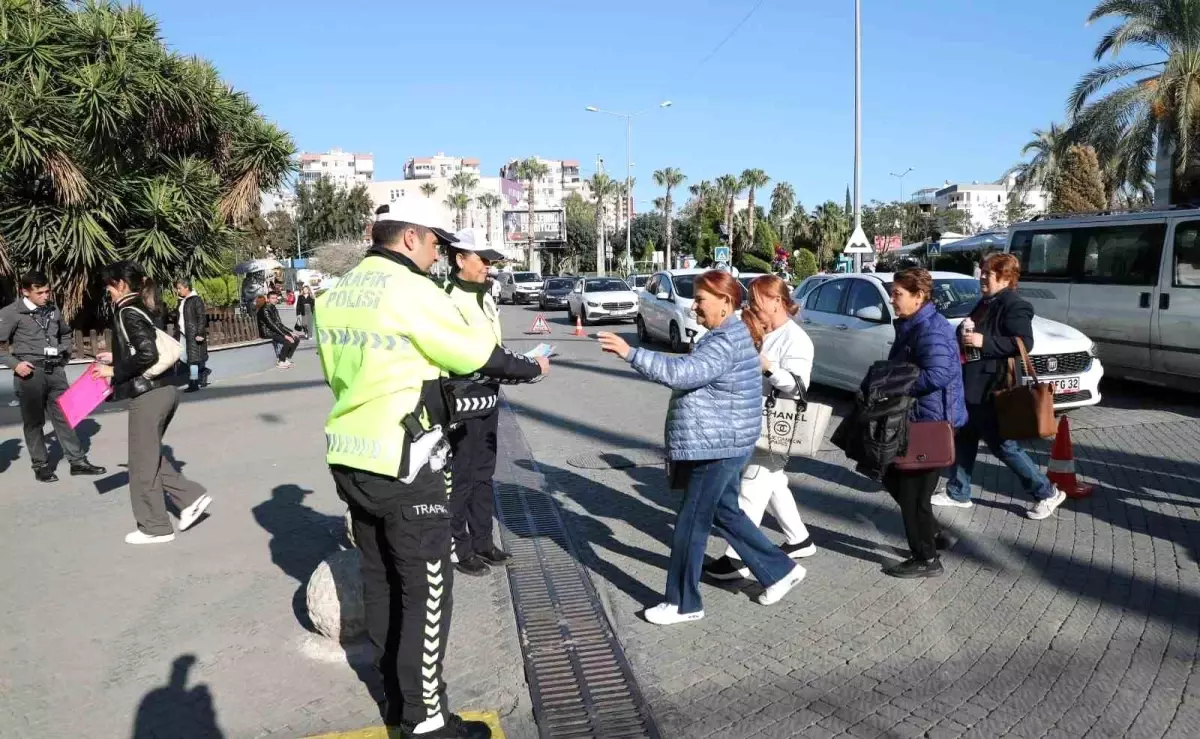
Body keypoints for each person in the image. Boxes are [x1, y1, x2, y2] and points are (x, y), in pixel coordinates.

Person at [317, 201, 547, 738]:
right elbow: (477, 355)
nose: (439, 254)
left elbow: (339, 375)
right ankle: (427, 721)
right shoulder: (412, 291)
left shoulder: (336, 293)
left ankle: (396, 702)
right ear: (412, 238)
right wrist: (531, 368)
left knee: (380, 580)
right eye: (437, 244)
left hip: (351, 454)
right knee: (426, 589)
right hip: (406, 461)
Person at [598, 270, 806, 625]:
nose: (694, 306)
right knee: (726, 514)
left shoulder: (725, 340)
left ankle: (683, 603)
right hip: (726, 442)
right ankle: (780, 570)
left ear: (725, 302)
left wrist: (631, 353)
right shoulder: (730, 333)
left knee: (691, 523)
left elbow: (683, 373)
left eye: (700, 300)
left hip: (717, 446)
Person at [933, 252, 1067, 519]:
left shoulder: (1014, 305)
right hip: (972, 383)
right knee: (966, 436)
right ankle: (958, 491)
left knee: (1003, 445)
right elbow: (973, 333)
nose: (981, 277)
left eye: (987, 274)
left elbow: (1023, 343)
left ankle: (1047, 492)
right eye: (981, 272)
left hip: (991, 387)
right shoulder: (986, 301)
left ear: (1005, 277)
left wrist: (985, 342)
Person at [705, 275, 817, 581]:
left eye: (756, 300)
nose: (751, 306)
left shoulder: (796, 339)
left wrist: (768, 366)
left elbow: (798, 386)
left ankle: (737, 559)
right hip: (754, 421)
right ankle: (799, 539)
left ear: (776, 301)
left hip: (776, 427)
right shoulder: (765, 330)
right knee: (775, 483)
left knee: (751, 490)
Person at [92, 261, 212, 545]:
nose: (108, 293)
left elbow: (146, 354)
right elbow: (144, 347)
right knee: (149, 456)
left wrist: (115, 371)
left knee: (141, 465)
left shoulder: (126, 310)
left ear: (120, 284)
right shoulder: (142, 307)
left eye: (109, 287)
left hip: (148, 395)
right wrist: (117, 357)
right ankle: (191, 497)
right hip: (163, 391)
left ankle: (155, 526)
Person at [443, 228, 522, 577]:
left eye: (490, 260)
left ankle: (482, 541)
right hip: (461, 396)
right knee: (461, 474)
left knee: (484, 472)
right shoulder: (445, 297)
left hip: (489, 393)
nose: (488, 266)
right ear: (460, 259)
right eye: (482, 259)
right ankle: (459, 548)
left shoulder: (486, 294)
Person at [882, 268, 967, 578]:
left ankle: (926, 558)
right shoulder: (915, 324)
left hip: (929, 424)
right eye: (892, 293)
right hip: (919, 418)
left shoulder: (930, 329)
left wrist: (897, 384)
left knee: (912, 494)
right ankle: (935, 534)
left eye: (897, 294)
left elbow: (939, 374)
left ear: (918, 297)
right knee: (893, 478)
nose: (892, 299)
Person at [0, 270, 106, 482]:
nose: (46, 296)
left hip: (55, 371)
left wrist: (64, 354)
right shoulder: (11, 312)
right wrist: (15, 364)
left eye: (48, 291)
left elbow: (65, 333)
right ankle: (41, 465)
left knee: (65, 416)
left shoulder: (52, 308)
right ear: (25, 292)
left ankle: (77, 462)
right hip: (30, 374)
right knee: (34, 422)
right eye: (39, 293)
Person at [174, 279, 210, 393]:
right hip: (183, 334)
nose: (178, 291)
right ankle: (203, 372)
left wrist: (199, 333)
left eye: (179, 288)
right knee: (184, 357)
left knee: (193, 360)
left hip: (193, 334)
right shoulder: (182, 301)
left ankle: (194, 382)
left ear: (186, 287)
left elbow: (201, 318)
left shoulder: (196, 300)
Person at [256, 291, 299, 368]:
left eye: (276, 298)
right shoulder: (265, 310)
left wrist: (290, 332)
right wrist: (285, 335)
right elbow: (271, 325)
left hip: (274, 330)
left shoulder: (273, 307)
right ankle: (281, 361)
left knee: (296, 338)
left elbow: (279, 323)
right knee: (288, 340)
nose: (275, 300)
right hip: (267, 332)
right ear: (268, 299)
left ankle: (285, 359)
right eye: (272, 298)